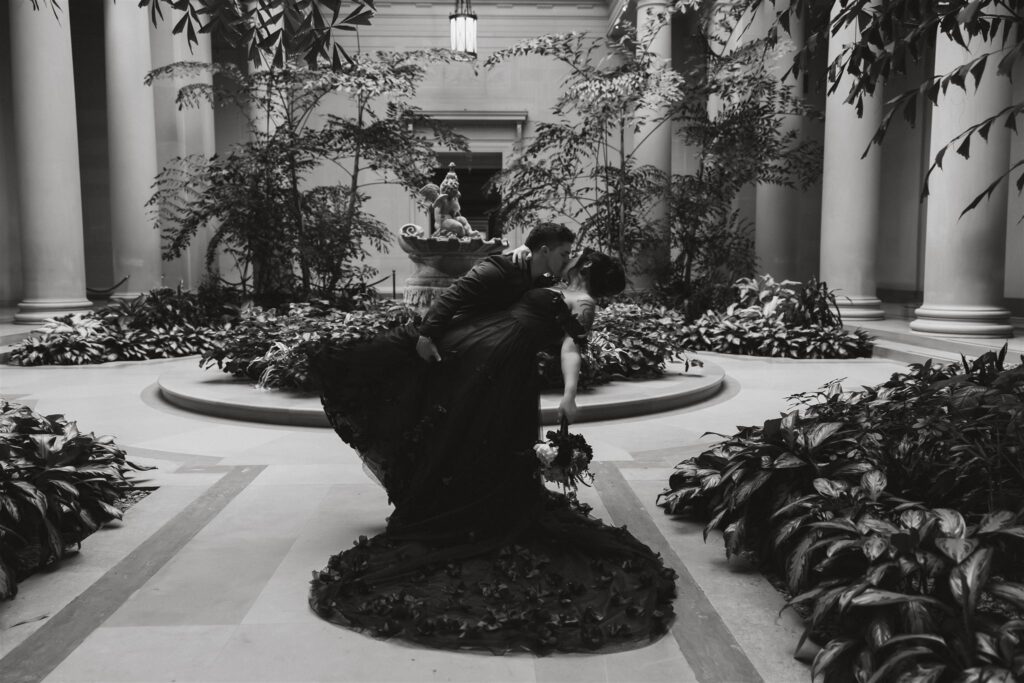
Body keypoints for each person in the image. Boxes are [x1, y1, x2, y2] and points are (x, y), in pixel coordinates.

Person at [309, 249, 676, 655]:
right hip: (480, 344)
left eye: (576, 257)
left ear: (587, 268)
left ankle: (460, 506)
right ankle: (438, 495)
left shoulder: (583, 304)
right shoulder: (551, 283)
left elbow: (572, 348)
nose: (568, 259)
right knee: (438, 414)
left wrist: (570, 394)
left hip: (501, 365)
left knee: (472, 432)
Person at [414, 222, 575, 364]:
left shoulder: (541, 280)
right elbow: (454, 293)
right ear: (545, 251)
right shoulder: (500, 268)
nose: (568, 260)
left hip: (491, 349)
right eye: (564, 254)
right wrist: (426, 335)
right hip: (457, 340)